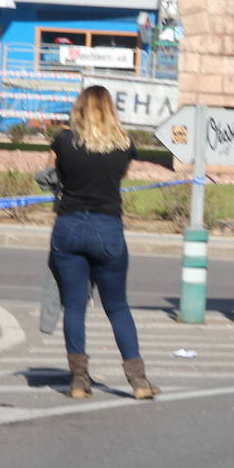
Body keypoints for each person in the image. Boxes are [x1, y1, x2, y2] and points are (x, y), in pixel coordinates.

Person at [48, 85, 159, 400]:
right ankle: (138, 381)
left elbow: (50, 175)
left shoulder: (63, 140)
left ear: (80, 108)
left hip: (69, 225)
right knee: (118, 306)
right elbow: (117, 177)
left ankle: (79, 380)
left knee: (74, 305)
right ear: (110, 110)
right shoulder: (124, 145)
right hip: (107, 227)